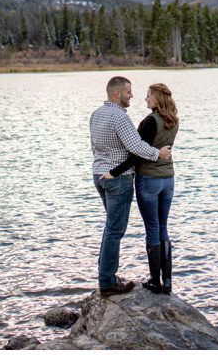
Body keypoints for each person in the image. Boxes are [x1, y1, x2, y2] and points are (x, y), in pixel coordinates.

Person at [88, 75, 171, 297]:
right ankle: (107, 282)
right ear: (117, 94)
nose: (131, 96)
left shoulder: (96, 114)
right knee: (115, 230)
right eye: (128, 92)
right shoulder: (120, 117)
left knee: (110, 228)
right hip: (119, 178)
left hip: (99, 175)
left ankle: (108, 276)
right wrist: (158, 154)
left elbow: (94, 147)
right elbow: (136, 147)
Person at [106, 83, 179, 294]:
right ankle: (167, 282)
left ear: (157, 98)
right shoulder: (173, 119)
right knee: (163, 227)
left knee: (153, 228)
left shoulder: (150, 121)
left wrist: (114, 172)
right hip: (168, 179)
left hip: (149, 179)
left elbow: (137, 153)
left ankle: (155, 280)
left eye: (148, 96)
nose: (145, 99)